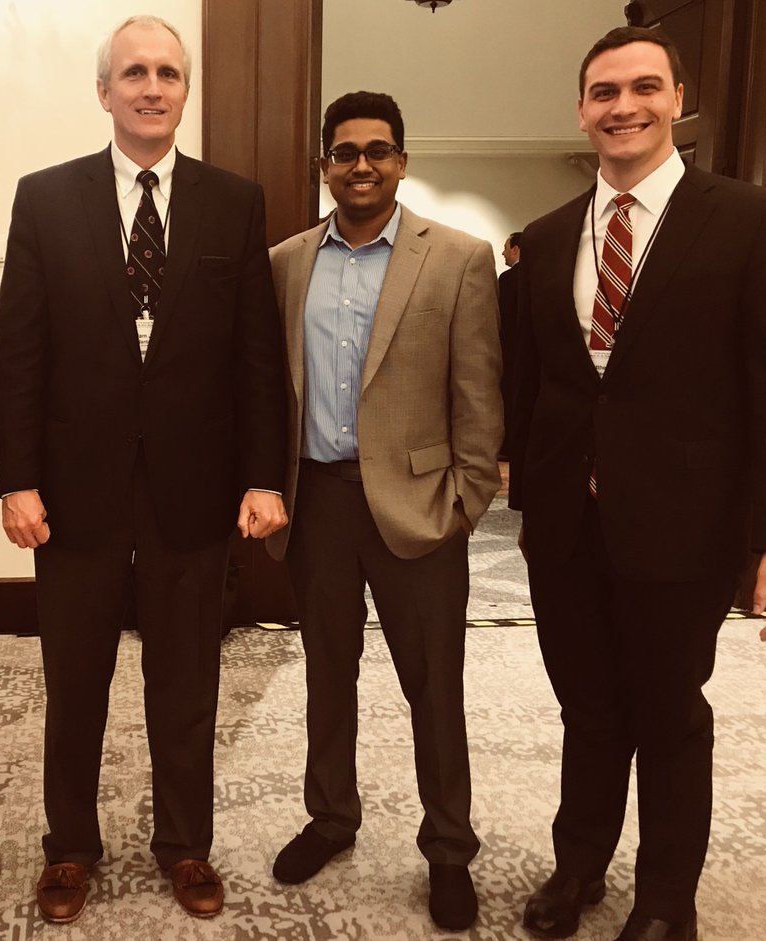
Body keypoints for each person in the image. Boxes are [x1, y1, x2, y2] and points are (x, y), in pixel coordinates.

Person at [0, 14, 287, 923]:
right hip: (73, 495)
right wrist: (17, 478)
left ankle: (184, 845)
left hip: (194, 495)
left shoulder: (233, 201)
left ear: (184, 89)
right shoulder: (45, 198)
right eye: (134, 72)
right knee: (75, 683)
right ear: (105, 90)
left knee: (187, 684)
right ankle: (69, 848)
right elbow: (23, 351)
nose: (152, 86)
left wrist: (264, 475)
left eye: (167, 72)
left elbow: (256, 357)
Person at [509, 27, 766, 941]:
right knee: (587, 704)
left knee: (668, 711)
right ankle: (579, 863)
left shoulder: (744, 219)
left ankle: (666, 897)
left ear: (677, 99)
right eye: (604, 91)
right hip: (566, 529)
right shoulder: (543, 241)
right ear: (581, 110)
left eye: (643, 88)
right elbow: (533, 384)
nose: (624, 106)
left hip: (684, 523)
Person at [265, 91, 502, 932]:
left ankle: (448, 847)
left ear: (403, 160)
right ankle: (332, 817)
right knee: (328, 673)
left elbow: (479, 393)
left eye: (378, 150)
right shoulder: (286, 260)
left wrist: (467, 500)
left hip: (420, 506)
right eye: (344, 151)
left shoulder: (461, 259)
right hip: (317, 500)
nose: (360, 164)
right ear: (324, 165)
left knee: (434, 687)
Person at [499, 230, 523, 460]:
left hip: (508, 352)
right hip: (530, 353)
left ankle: (506, 446)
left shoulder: (507, 280)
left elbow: (501, 318)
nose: (503, 252)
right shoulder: (541, 276)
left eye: (506, 247)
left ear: (516, 249)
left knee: (506, 398)